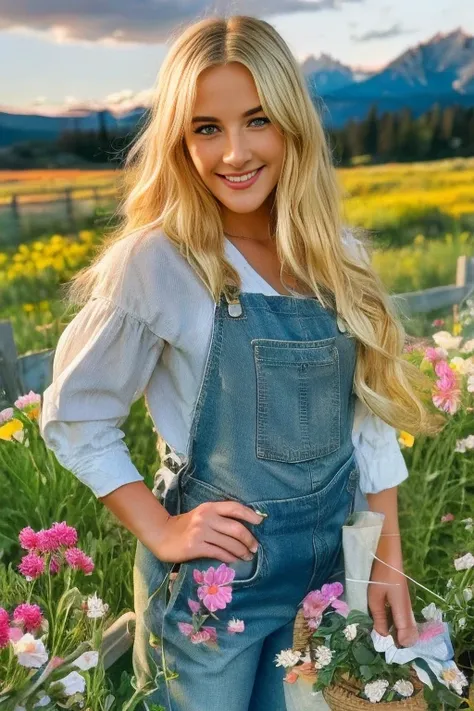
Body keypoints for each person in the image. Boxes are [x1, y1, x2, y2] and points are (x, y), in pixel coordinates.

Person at [39, 14, 443, 711]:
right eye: (206, 128)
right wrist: (161, 528)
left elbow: (370, 422)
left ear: (292, 123)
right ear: (179, 139)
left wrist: (386, 558)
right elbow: (75, 415)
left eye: (257, 120)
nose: (234, 152)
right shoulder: (161, 262)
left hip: (322, 580)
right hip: (213, 593)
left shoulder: (338, 257)